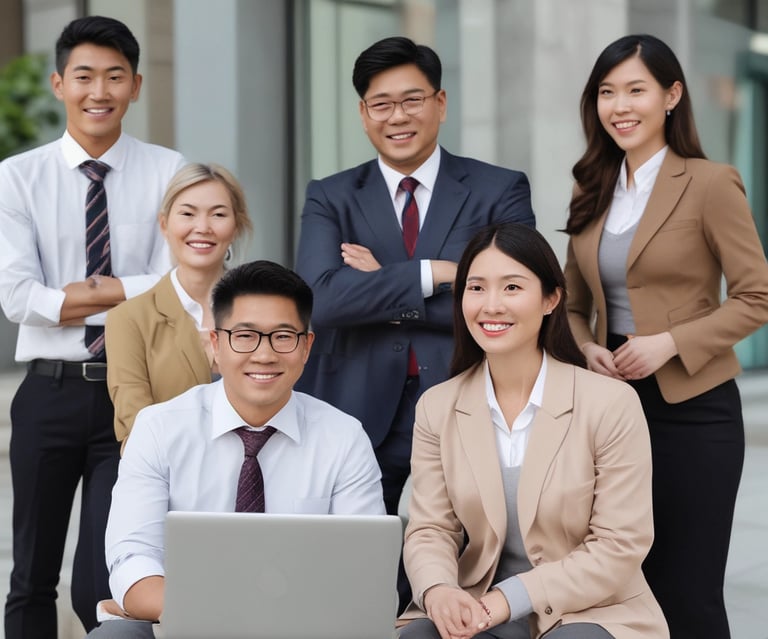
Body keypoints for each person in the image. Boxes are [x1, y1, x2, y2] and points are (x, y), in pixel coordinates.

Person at [563, 34, 768, 639]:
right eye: (606, 92)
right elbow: (570, 305)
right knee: (623, 584)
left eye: (635, 90)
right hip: (609, 407)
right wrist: (587, 347)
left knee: (689, 588)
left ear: (672, 96)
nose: (619, 105)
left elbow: (758, 296)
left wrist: (669, 342)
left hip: (694, 411)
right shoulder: (591, 187)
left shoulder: (709, 183)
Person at [296, 34, 534, 528]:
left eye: (411, 100)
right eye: (381, 104)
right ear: (364, 113)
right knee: (359, 563)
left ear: (440, 103)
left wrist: (380, 283)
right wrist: (440, 273)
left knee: (466, 557)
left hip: (467, 399)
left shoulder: (498, 189)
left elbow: (512, 304)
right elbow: (322, 301)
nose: (397, 117)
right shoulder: (330, 196)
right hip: (357, 409)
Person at [0, 15, 186, 637]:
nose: (98, 91)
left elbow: (190, 283)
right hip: (49, 392)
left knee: (104, 579)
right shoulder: (18, 177)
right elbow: (16, 297)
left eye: (114, 77)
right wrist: (135, 291)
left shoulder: (170, 171)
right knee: (30, 578)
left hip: (135, 394)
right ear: (59, 84)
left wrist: (85, 293)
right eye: (84, 76)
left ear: (136, 85)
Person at [86, 260, 385, 638]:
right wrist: (222, 615)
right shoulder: (159, 428)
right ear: (215, 343)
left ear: (307, 346)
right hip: (182, 622)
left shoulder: (343, 438)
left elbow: (360, 570)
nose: (264, 354)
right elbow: (133, 559)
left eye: (283, 336)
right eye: (245, 336)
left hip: (303, 627)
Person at [397, 223, 668, 639]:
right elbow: (432, 528)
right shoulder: (437, 406)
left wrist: (510, 598)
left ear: (550, 299)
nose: (491, 305)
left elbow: (619, 545)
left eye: (511, 288)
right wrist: (438, 590)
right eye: (476, 288)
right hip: (474, 601)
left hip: (589, 609)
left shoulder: (610, 403)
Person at [105, 163, 252, 446]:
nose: (202, 228)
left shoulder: (265, 309)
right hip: (171, 480)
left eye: (218, 214)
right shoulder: (129, 318)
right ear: (164, 225)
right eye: (187, 213)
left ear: (236, 226)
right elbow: (136, 424)